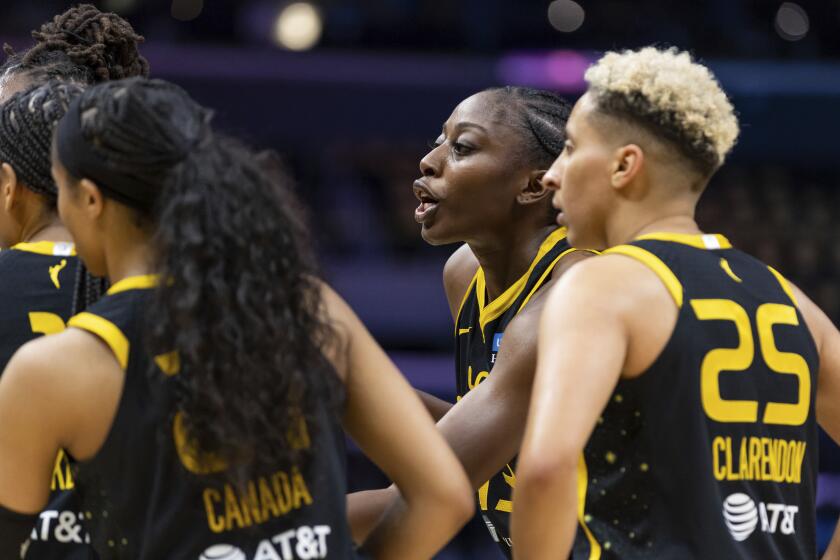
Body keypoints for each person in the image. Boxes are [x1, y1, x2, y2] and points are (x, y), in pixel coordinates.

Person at [0, 78, 473, 559]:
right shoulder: (310, 305)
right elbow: (444, 496)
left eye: (60, 191)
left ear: (91, 200)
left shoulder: (58, 367)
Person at [512, 46, 840, 559]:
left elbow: (546, 467)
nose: (552, 174)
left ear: (624, 165)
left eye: (571, 148)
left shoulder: (603, 285)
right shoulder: (791, 299)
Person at [347, 86, 593, 558]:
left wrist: (243, 530)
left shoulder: (574, 294)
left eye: (461, 148)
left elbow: (421, 498)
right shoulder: (464, 274)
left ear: (532, 186)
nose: (428, 160)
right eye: (437, 141)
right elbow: (486, 431)